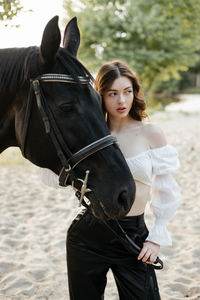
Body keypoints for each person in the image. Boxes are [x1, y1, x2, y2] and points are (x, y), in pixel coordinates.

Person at [41, 60, 181, 299]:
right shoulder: (90, 136)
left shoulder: (150, 133)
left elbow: (167, 190)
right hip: (88, 236)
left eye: (127, 92)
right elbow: (51, 179)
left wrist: (156, 238)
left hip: (133, 234)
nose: (121, 101)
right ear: (101, 96)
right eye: (112, 93)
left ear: (135, 93)